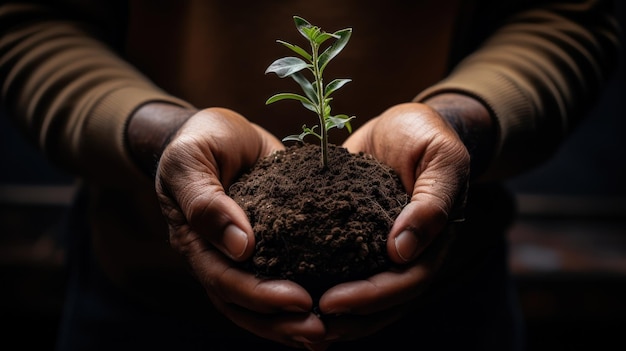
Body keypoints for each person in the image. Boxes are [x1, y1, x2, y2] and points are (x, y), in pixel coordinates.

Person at [0, 0, 621, 350]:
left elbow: (567, 16)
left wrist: (458, 124)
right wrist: (162, 139)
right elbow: (30, 23)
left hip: (444, 310)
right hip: (141, 309)